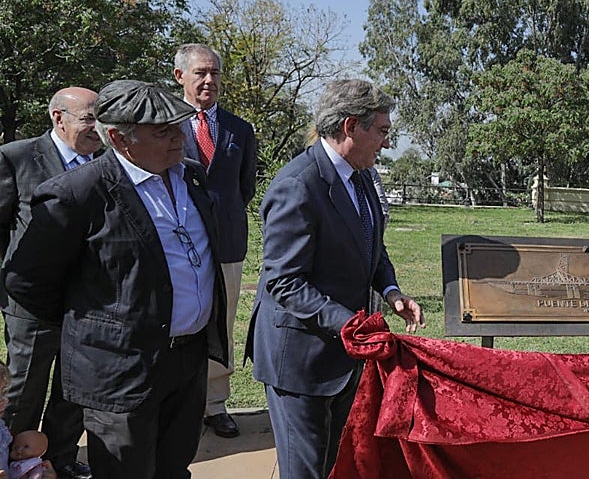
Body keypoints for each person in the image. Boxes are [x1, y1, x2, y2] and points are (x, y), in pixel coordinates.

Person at [4, 80, 229, 477]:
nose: (180, 138)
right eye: (163, 132)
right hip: (121, 372)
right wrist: (93, 328)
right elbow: (27, 282)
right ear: (118, 138)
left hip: (187, 360)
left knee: (175, 466)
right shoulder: (76, 194)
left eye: (179, 127)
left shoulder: (190, 177)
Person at [246, 79, 424, 479]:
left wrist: (391, 291)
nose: (386, 143)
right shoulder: (298, 185)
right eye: (381, 132)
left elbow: (370, 244)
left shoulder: (360, 175)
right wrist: (348, 322)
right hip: (300, 358)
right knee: (304, 470)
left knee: (333, 465)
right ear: (350, 126)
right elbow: (284, 282)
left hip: (343, 356)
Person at [0, 88, 100, 479]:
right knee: (24, 389)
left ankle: (58, 458)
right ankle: (11, 463)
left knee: (73, 389)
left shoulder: (107, 163)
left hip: (88, 302)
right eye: (89, 118)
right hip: (31, 302)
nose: (98, 127)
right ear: (59, 118)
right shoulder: (17, 157)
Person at [173, 43, 258, 439]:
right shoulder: (165, 125)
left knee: (221, 323)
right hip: (175, 243)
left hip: (226, 245)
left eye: (215, 73)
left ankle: (214, 404)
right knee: (178, 321)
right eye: (200, 73)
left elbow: (244, 188)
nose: (209, 81)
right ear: (180, 77)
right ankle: (176, 402)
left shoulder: (240, 129)